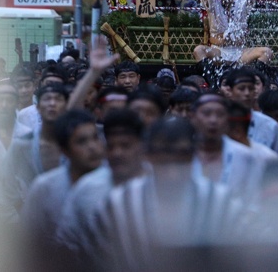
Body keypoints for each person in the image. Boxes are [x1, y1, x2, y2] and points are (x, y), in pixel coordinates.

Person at [79, 117, 244, 270]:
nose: (172, 171)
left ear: (193, 155)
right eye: (163, 156)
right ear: (148, 155)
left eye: (181, 155)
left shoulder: (221, 203)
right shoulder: (117, 205)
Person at [58, 109, 146, 257]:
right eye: (111, 147)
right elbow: (66, 244)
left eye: (125, 146)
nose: (117, 153)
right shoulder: (87, 188)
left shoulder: (160, 186)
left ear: (142, 146)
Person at [22, 109, 104, 260]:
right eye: (81, 141)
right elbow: (30, 240)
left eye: (95, 138)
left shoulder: (112, 183)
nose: (92, 147)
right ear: (65, 150)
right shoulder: (44, 187)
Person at [0, 81, 69, 223]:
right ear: (38, 107)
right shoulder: (23, 144)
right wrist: (23, 212)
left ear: (66, 106)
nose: (52, 103)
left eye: (58, 99)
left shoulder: (74, 142)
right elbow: (6, 183)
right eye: (47, 99)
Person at [189, 94, 262, 195]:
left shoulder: (245, 156)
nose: (213, 120)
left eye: (220, 114)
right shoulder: (180, 154)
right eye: (206, 114)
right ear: (193, 117)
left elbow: (253, 199)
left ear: (228, 119)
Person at [225, 68, 278, 155]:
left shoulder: (269, 126)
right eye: (241, 88)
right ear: (230, 91)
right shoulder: (219, 123)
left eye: (250, 89)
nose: (247, 93)